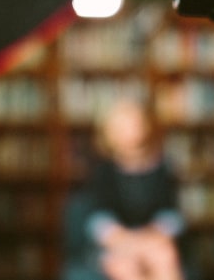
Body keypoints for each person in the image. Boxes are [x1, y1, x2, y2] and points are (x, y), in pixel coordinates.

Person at [65, 97, 188, 280]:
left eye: (133, 124)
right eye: (120, 127)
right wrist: (124, 240)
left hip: (153, 240)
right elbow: (98, 218)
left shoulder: (162, 168)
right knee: (124, 266)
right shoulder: (102, 171)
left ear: (145, 126)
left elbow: (172, 213)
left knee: (164, 257)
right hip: (116, 243)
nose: (129, 131)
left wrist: (152, 235)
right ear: (108, 133)